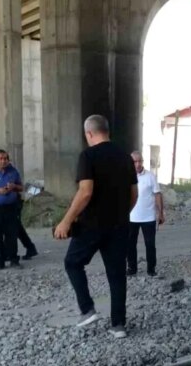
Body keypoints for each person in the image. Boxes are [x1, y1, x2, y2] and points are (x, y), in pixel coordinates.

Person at [54, 115, 138, 336]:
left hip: (91, 224)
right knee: (117, 274)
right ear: (106, 130)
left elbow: (85, 192)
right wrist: (122, 214)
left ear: (89, 133)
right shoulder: (125, 157)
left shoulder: (88, 155)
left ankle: (87, 309)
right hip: (120, 225)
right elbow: (134, 194)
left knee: (73, 262)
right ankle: (118, 325)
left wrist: (66, 221)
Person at [127, 151, 164, 276]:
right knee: (130, 244)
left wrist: (160, 213)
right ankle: (132, 268)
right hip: (131, 217)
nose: (137, 164)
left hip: (148, 217)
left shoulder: (150, 176)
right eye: (134, 162)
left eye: (140, 161)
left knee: (150, 244)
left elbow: (157, 194)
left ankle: (151, 269)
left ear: (142, 162)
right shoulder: (125, 176)